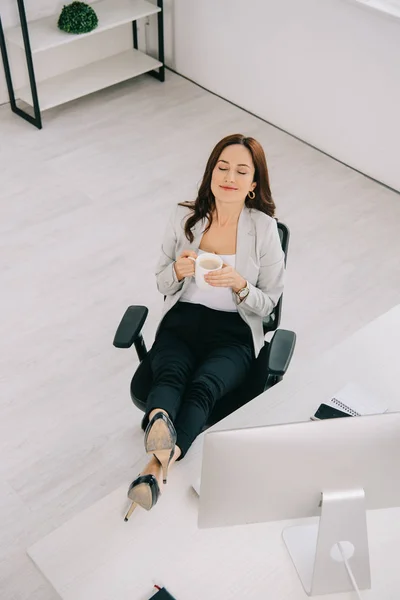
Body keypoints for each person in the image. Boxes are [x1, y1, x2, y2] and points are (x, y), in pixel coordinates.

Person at [124, 133, 285, 521]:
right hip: (184, 319)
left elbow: (270, 303)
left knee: (204, 386)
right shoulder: (185, 217)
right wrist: (176, 272)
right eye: (222, 166)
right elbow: (162, 282)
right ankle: (161, 446)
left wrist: (239, 284)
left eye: (241, 171)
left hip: (233, 332)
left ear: (253, 185)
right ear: (211, 172)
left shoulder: (263, 229)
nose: (229, 176)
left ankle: (155, 465)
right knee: (171, 372)